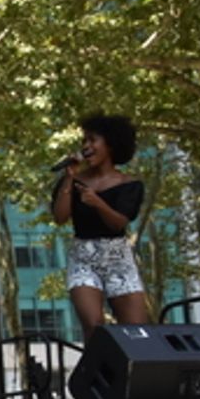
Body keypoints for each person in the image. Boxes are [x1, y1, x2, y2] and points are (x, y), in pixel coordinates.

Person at [51, 113, 148, 342]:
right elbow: (60, 217)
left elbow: (119, 222)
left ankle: (130, 377)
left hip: (118, 257)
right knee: (94, 327)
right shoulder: (74, 181)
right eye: (84, 141)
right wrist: (69, 179)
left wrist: (98, 203)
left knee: (137, 333)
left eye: (92, 140)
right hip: (84, 256)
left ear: (111, 144)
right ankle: (97, 376)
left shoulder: (130, 184)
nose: (86, 147)